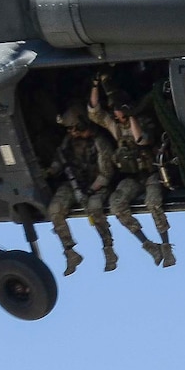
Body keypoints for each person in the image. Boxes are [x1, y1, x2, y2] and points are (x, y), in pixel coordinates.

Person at [42, 105, 117, 275]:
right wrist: (49, 171)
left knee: (95, 208)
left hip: (96, 184)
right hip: (74, 182)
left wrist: (90, 191)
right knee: (54, 210)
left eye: (75, 128)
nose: (73, 132)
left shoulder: (100, 142)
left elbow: (106, 173)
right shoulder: (68, 142)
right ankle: (70, 252)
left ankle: (108, 248)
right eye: (70, 129)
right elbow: (59, 161)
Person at [105, 94, 175, 267]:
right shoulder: (117, 128)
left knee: (153, 203)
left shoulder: (144, 122)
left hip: (151, 173)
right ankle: (148, 244)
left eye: (121, 113)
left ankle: (166, 246)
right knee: (117, 205)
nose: (118, 117)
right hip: (133, 177)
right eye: (116, 114)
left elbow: (141, 139)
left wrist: (132, 117)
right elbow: (96, 114)